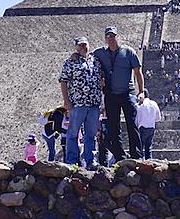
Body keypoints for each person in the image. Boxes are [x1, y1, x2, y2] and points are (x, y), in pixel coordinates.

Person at [93, 26, 145, 161]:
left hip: (127, 93)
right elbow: (87, 56)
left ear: (117, 36)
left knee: (132, 125)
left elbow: (138, 72)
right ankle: (120, 157)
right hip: (111, 94)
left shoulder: (129, 52)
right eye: (108, 36)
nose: (111, 38)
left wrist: (141, 92)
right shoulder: (100, 53)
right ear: (105, 38)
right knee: (114, 127)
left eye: (113, 36)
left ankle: (137, 156)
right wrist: (75, 54)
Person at [59, 37, 102, 168]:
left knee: (91, 134)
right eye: (80, 45)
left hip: (93, 103)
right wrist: (66, 100)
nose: (83, 47)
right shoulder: (70, 62)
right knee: (73, 133)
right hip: (77, 103)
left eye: (85, 44)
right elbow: (63, 81)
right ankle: (73, 160)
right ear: (76, 47)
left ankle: (91, 160)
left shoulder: (95, 61)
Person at [135, 89, 162, 159]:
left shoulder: (140, 105)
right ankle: (149, 163)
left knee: (140, 148)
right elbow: (158, 117)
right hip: (151, 127)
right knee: (148, 148)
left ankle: (140, 162)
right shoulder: (154, 103)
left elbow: (137, 118)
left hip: (142, 128)